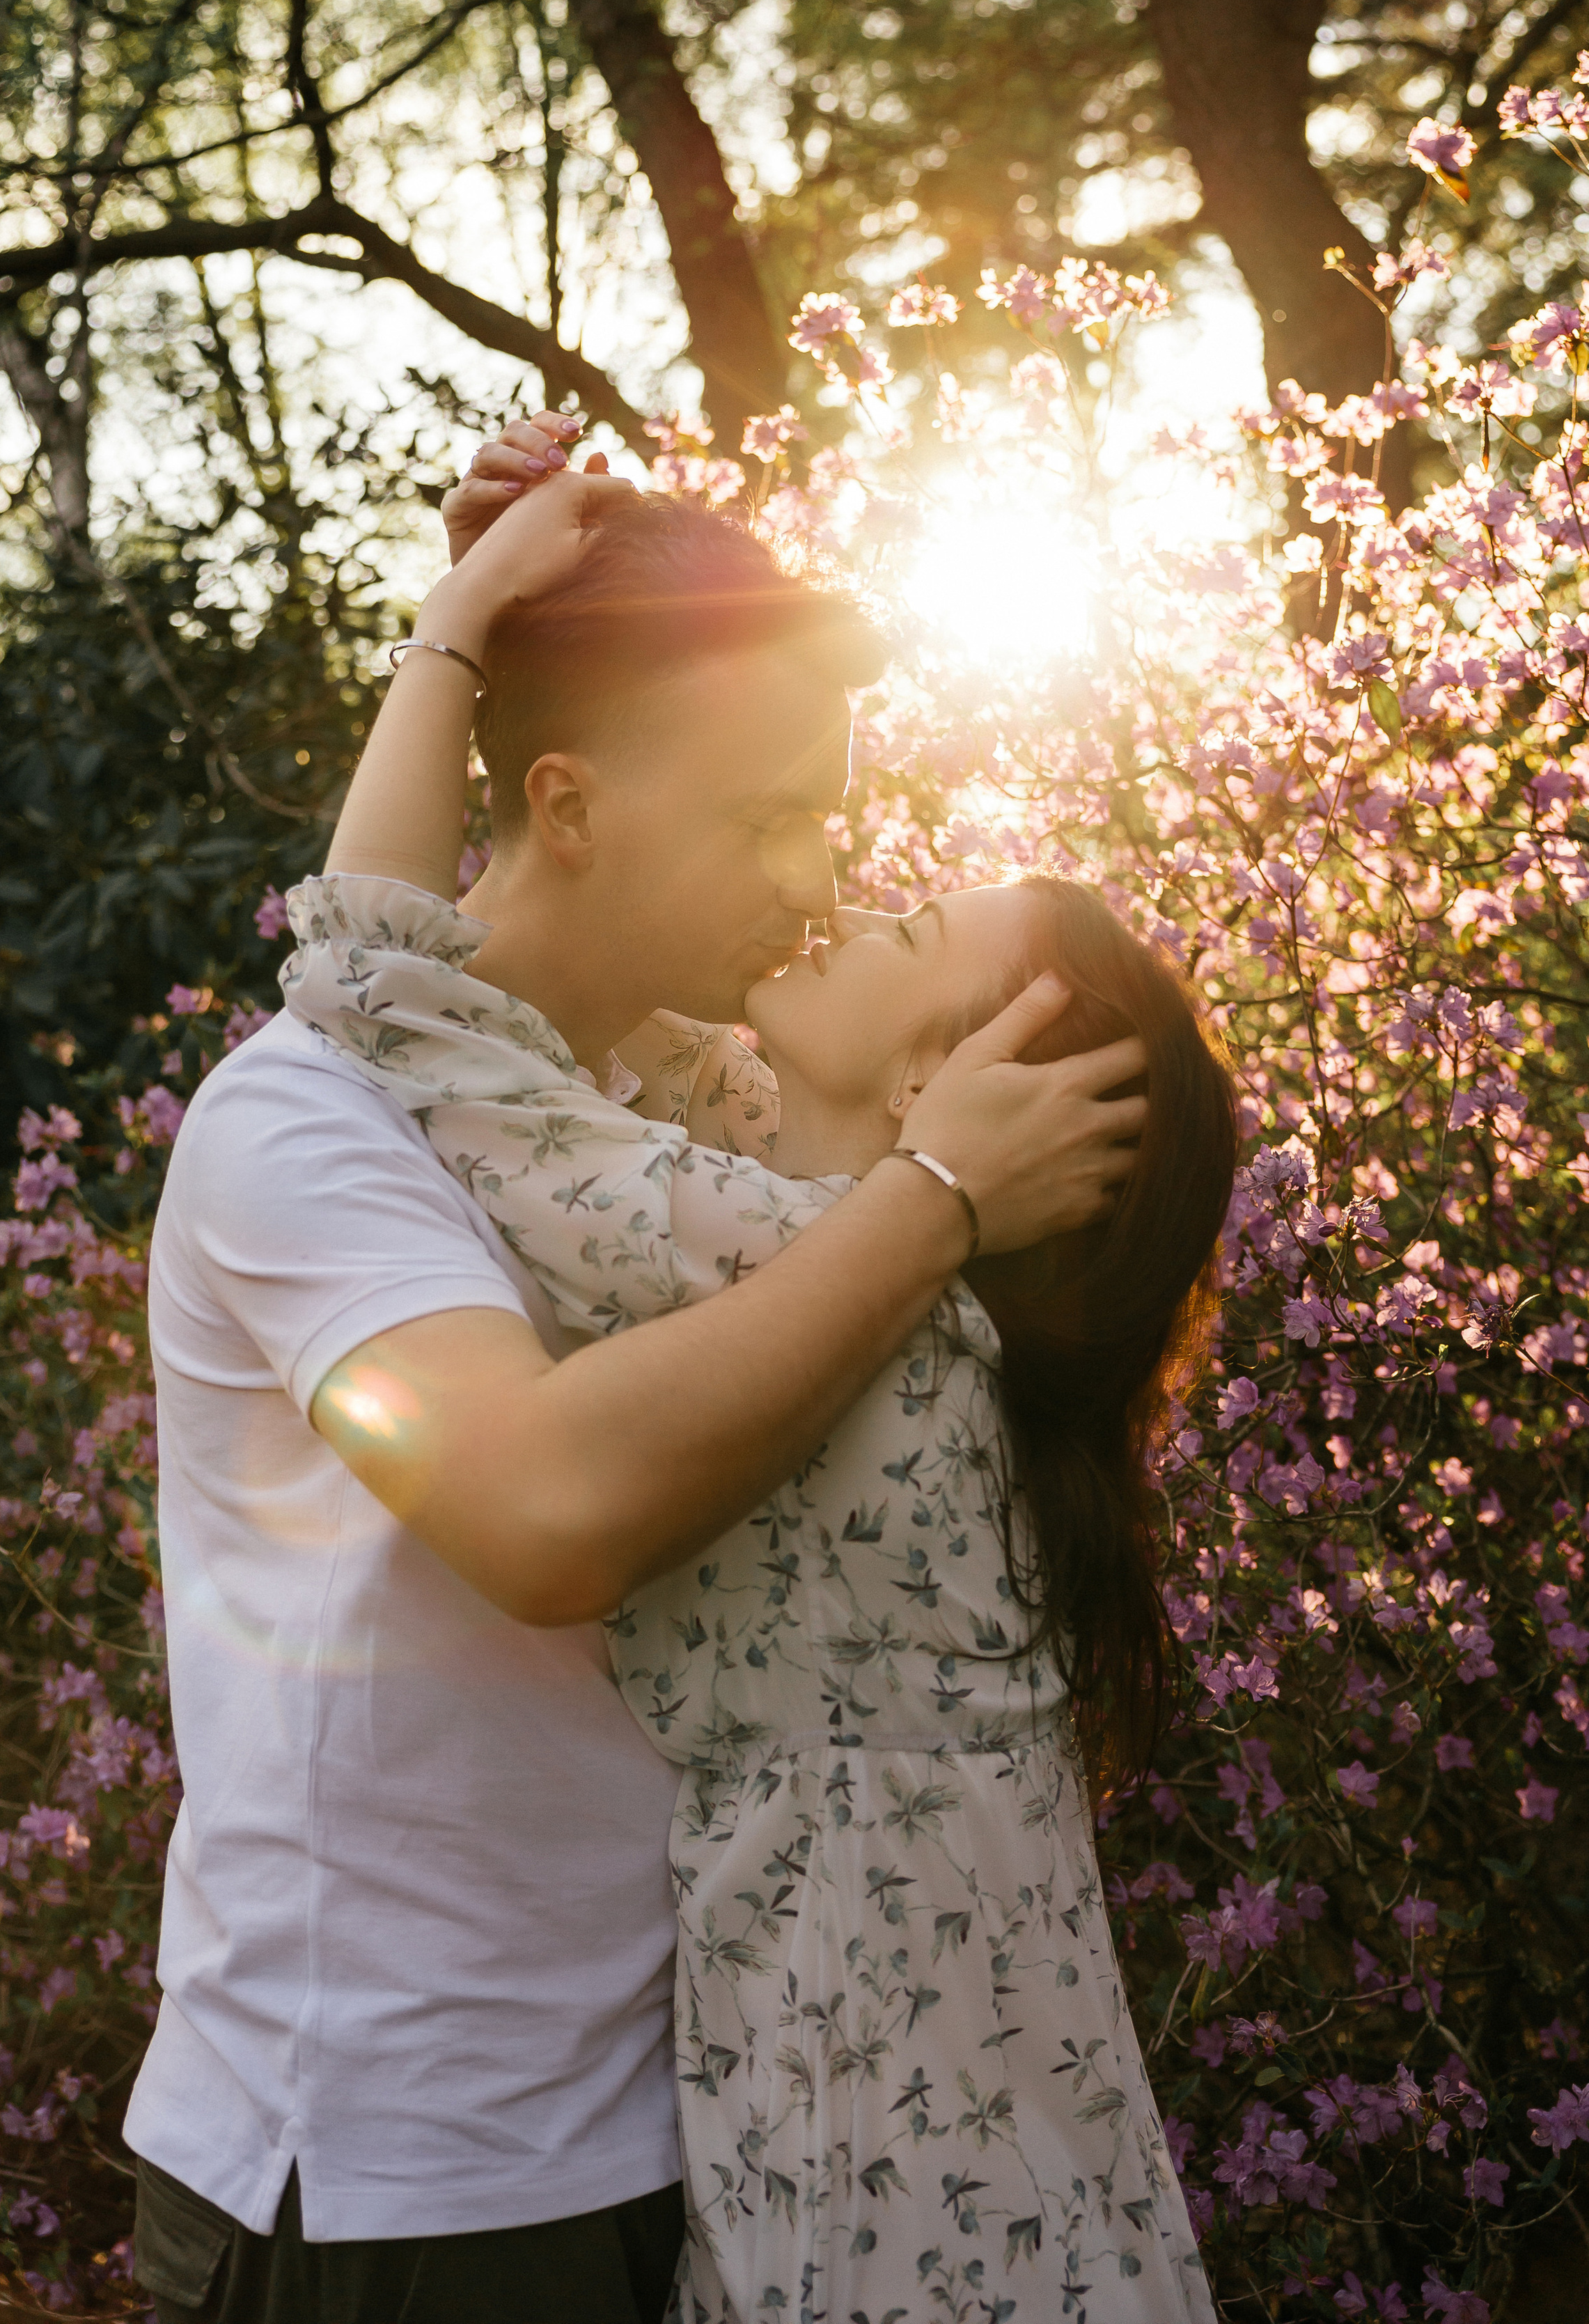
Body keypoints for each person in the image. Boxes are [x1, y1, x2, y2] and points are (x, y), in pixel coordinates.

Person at [124, 416, 1149, 2324]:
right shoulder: (306, 1129)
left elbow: (395, 981)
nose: (820, 879)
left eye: (828, 814)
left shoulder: (671, 1116)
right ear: (571, 805)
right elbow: (544, 1508)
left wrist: (492, 629)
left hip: (683, 2133)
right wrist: (468, 628)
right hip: (393, 2173)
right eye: (766, 815)